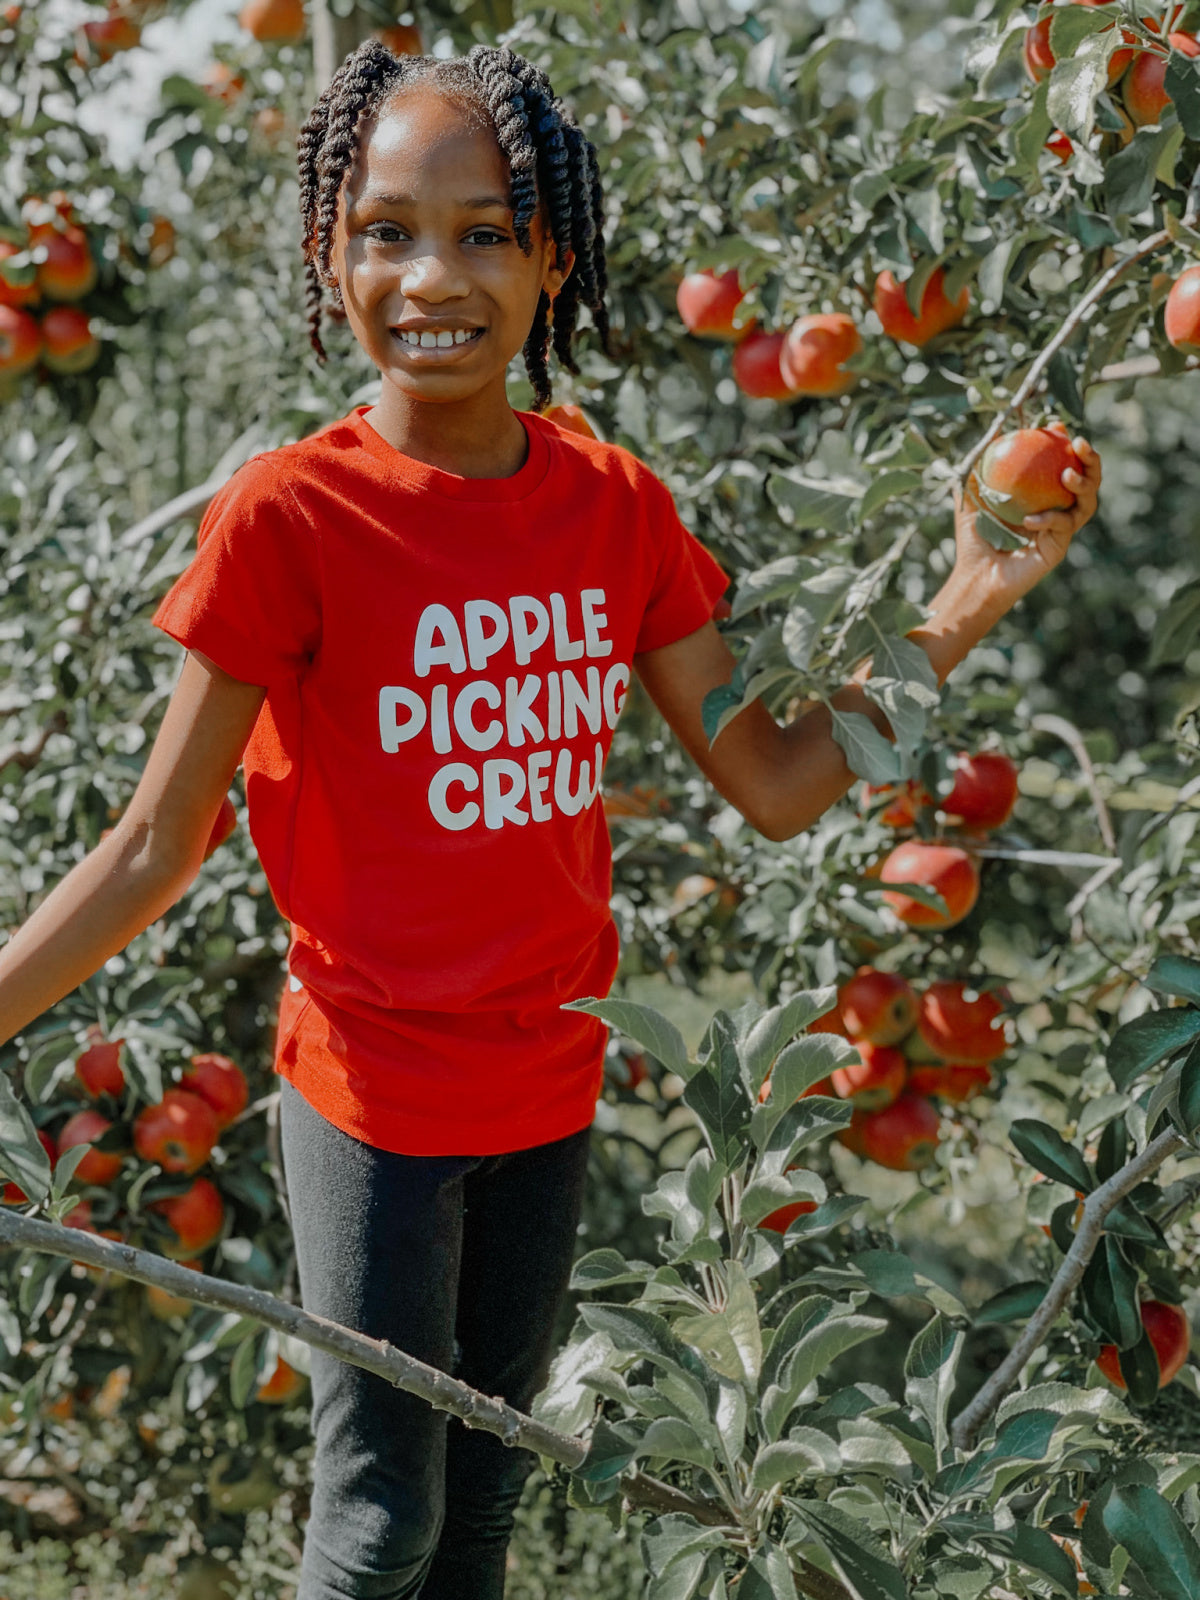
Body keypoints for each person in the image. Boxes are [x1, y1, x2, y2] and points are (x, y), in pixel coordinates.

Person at [0, 38, 1100, 1600]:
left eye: (484, 231)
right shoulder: (289, 518)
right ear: (332, 250)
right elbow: (150, 847)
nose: (430, 272)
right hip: (371, 1095)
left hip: (545, 1084)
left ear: (551, 260)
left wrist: (966, 597)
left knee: (487, 1510)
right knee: (380, 1525)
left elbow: (777, 784)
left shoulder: (613, 505)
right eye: (386, 228)